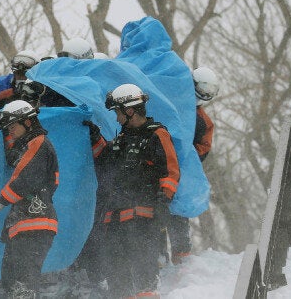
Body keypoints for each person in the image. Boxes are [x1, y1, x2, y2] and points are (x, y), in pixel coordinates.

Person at [85, 84, 180, 298]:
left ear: (129, 110)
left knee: (144, 274)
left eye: (118, 113)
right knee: (117, 276)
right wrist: (94, 137)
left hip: (143, 220)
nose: (117, 119)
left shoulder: (157, 135)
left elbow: (171, 171)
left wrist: (163, 199)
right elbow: (105, 159)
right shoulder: (121, 140)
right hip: (115, 219)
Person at [0, 100, 59, 297]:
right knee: (12, 280)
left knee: (23, 282)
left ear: (28, 123)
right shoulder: (28, 146)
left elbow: (25, 178)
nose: (10, 131)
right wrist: (4, 134)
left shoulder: (39, 143)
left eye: (13, 126)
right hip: (24, 223)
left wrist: (1, 201)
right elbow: (14, 158)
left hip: (35, 222)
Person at [161, 67, 219, 266]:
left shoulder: (202, 120)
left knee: (178, 213)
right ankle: (159, 257)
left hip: (182, 171)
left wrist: (187, 155)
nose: (205, 93)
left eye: (209, 89)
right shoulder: (169, 104)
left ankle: (182, 257)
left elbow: (204, 147)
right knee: (156, 213)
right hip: (159, 165)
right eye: (203, 87)